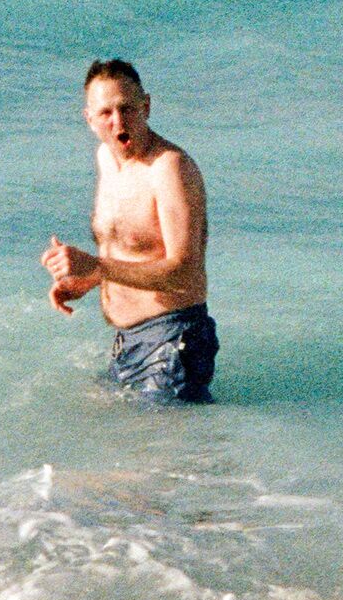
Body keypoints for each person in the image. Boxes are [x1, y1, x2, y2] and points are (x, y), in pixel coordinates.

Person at [42, 57, 215, 404]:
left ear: (147, 106)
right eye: (106, 113)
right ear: (89, 119)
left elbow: (184, 271)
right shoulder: (106, 159)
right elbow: (130, 248)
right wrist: (87, 281)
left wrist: (97, 267)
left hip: (171, 342)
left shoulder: (169, 169)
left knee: (169, 454)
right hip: (126, 343)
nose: (118, 122)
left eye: (128, 109)